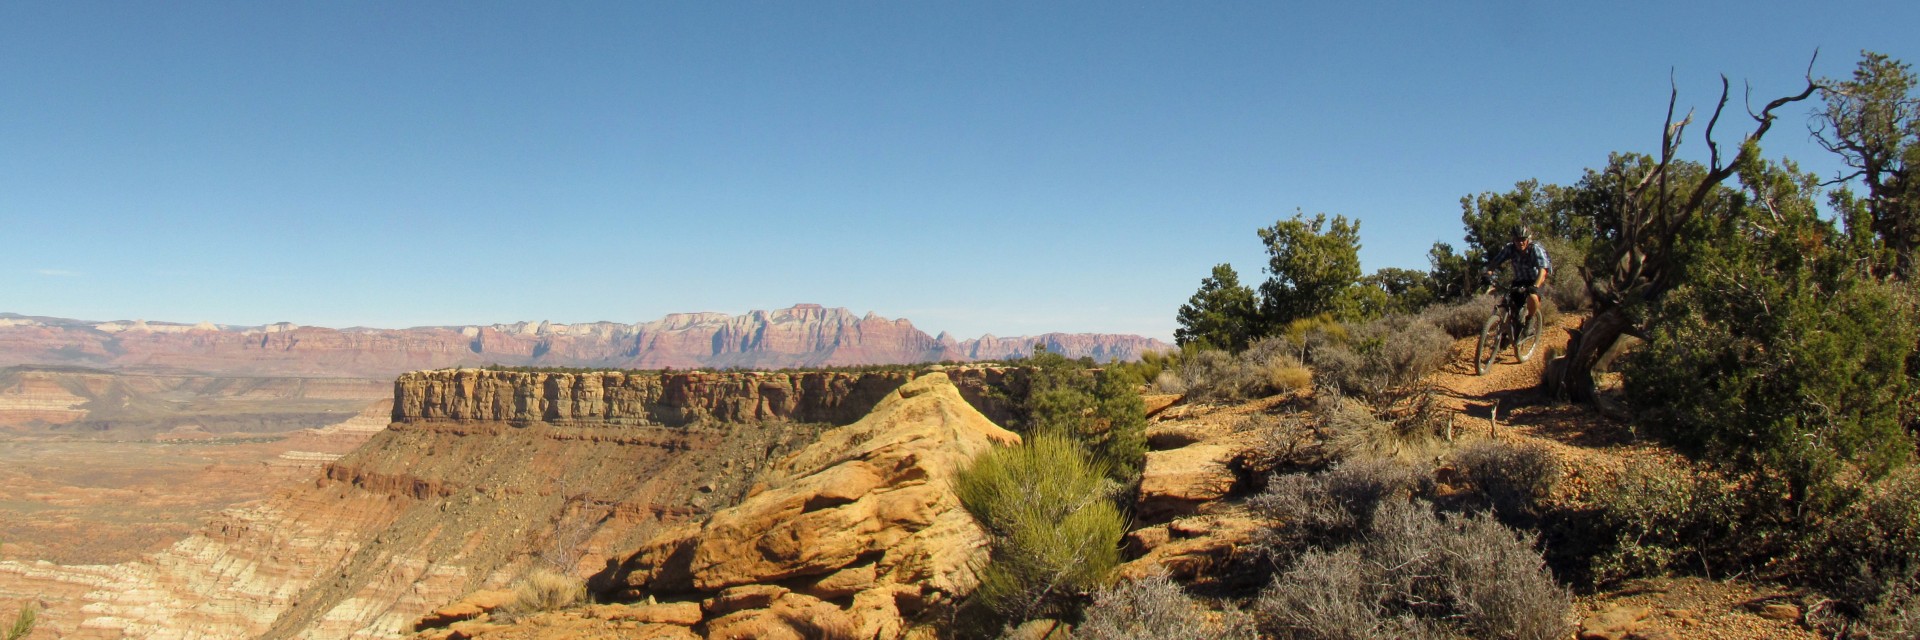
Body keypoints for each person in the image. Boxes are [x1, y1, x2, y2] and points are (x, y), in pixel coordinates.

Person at [1485, 225, 1550, 334]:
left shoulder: (1535, 249)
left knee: (1532, 297)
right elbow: (1495, 262)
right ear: (1513, 240)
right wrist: (1488, 274)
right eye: (1517, 240)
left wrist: (1535, 287)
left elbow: (1543, 270)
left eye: (1523, 239)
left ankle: (1530, 320)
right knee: (1510, 305)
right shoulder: (1510, 248)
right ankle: (1509, 331)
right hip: (1519, 280)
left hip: (1535, 280)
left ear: (1528, 239)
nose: (1520, 243)